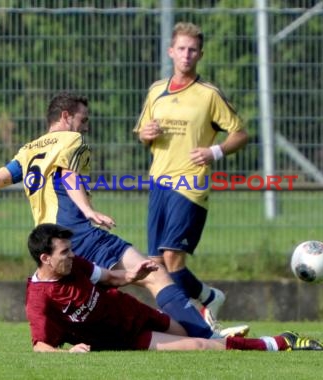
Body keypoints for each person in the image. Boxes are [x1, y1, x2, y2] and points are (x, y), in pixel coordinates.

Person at [0, 91, 247, 339]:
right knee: (155, 274)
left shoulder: (28, 150)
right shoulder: (73, 140)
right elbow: (68, 176)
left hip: (52, 243)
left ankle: (193, 333)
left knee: (110, 300)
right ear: (66, 116)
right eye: (83, 119)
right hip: (79, 234)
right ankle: (210, 337)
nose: (86, 126)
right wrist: (88, 210)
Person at [25, 223, 323, 353]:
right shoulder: (39, 298)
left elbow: (111, 279)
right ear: (45, 258)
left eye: (70, 249)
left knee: (193, 334)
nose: (72, 255)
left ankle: (210, 325)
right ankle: (281, 342)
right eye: (64, 252)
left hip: (135, 312)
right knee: (200, 345)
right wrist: (72, 353)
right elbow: (40, 347)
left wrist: (134, 274)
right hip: (127, 336)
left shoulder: (75, 265)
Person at [134, 22, 250, 327]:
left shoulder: (208, 94)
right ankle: (193, 313)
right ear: (171, 51)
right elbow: (143, 135)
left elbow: (240, 133)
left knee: (173, 259)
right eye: (181, 49)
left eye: (193, 50)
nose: (186, 55)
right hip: (159, 183)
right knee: (157, 265)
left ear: (200, 54)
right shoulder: (156, 91)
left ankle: (207, 302)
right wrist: (146, 134)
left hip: (189, 185)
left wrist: (215, 152)